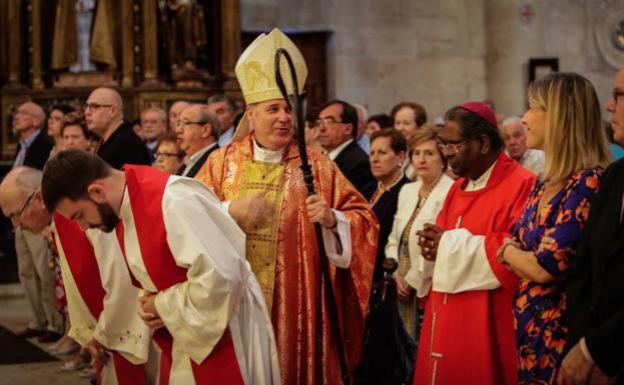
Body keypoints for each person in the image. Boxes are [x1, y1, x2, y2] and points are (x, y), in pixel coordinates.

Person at [195, 28, 377, 384]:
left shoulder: (316, 166)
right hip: (235, 301)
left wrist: (332, 219)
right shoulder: (220, 164)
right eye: (273, 109)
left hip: (296, 304)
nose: (283, 117)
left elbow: (363, 219)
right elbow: (188, 219)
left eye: (287, 109)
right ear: (251, 113)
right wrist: (231, 209)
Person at [42, 150, 281, 385]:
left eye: (80, 215)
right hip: (191, 335)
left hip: (225, 334)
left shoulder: (173, 200)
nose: (83, 227)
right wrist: (152, 302)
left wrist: (160, 304)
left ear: (96, 191)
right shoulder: (129, 204)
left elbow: (221, 279)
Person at [497, 73, 610, 384]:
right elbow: (519, 243)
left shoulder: (587, 182)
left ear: (559, 115)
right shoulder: (543, 181)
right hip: (529, 332)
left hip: (561, 338)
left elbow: (546, 266)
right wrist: (516, 252)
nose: (524, 118)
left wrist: (507, 251)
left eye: (533, 108)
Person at [413, 101, 535, 385]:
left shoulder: (522, 184)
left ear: (481, 143)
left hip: (487, 320)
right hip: (444, 317)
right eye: (443, 145)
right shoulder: (458, 188)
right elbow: (442, 245)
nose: (447, 154)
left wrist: (449, 244)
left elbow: (515, 251)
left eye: (453, 145)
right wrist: (432, 248)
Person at [0, 166, 154, 384]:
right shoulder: (60, 219)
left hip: (125, 330)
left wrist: (102, 331)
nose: (16, 224)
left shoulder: (83, 215)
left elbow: (121, 278)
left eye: (16, 214)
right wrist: (87, 332)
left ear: (38, 197)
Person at [560, 67, 624, 385]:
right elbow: (582, 266)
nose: (610, 106)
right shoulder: (614, 176)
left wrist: (597, 350)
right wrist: (583, 346)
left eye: (619, 96)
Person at [385, 124, 454, 339]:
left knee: (421, 345)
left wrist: (412, 280)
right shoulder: (408, 190)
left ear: (442, 158)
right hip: (398, 280)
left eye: (429, 153)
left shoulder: (450, 191)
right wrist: (396, 275)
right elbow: (394, 238)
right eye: (416, 153)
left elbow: (439, 244)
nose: (421, 160)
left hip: (428, 283)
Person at [9, 101, 62, 342]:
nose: (15, 117)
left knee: (44, 272)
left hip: (37, 220)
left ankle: (54, 322)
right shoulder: (20, 146)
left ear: (36, 120)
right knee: (26, 272)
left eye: (21, 113)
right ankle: (37, 320)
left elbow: (40, 184)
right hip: (18, 219)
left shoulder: (44, 145)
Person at [368, 128, 411, 281]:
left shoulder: (407, 192)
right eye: (372, 153)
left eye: (382, 153)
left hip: (385, 275)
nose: (374, 159)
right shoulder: (367, 188)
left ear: (400, 156)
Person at [317, 99, 376, 199]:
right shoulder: (322, 158)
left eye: (329, 121)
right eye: (319, 122)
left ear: (348, 129)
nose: (321, 128)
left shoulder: (359, 164)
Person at [84, 87, 151, 169]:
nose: (86, 112)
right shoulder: (106, 140)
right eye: (87, 106)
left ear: (113, 111)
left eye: (94, 106)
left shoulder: (128, 144)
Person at [174, 104, 220, 177]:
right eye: (178, 124)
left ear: (205, 130)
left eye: (185, 123)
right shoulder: (185, 163)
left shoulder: (219, 162)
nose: (178, 130)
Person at [391, 101, 428, 180]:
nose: (401, 128)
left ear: (420, 126)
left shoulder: (424, 154)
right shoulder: (397, 151)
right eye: (397, 123)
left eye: (406, 123)